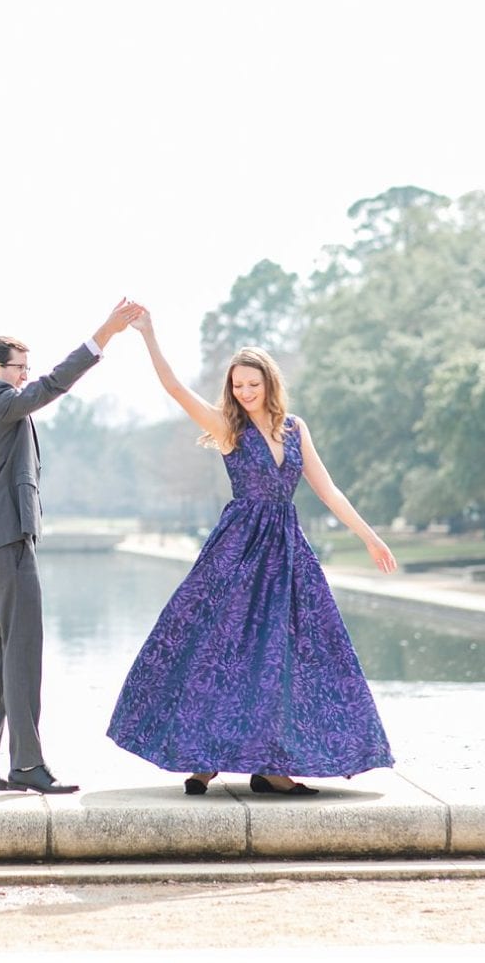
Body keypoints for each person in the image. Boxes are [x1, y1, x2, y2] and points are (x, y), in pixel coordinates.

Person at [107, 310, 397, 796]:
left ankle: (271, 765)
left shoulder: (295, 429)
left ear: (269, 383)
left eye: (251, 384)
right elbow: (176, 390)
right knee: (217, 650)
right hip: (237, 552)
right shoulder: (228, 428)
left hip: (285, 554)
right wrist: (150, 336)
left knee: (283, 657)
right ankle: (202, 760)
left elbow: (327, 491)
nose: (244, 392)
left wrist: (370, 536)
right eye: (237, 385)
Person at [0, 298, 143, 797]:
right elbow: (53, 385)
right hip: (7, 542)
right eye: (20, 368)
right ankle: (27, 767)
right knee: (21, 654)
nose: (25, 376)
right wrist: (104, 334)